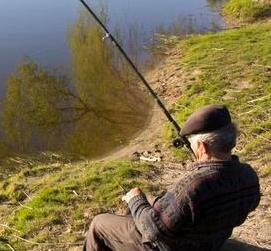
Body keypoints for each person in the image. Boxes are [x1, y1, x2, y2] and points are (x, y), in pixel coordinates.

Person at [84, 105, 261, 251]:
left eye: (192, 145)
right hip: (210, 242)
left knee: (99, 223)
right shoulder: (249, 176)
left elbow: (154, 231)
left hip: (170, 246)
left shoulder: (192, 186)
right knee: (150, 203)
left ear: (203, 146)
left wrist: (135, 199)